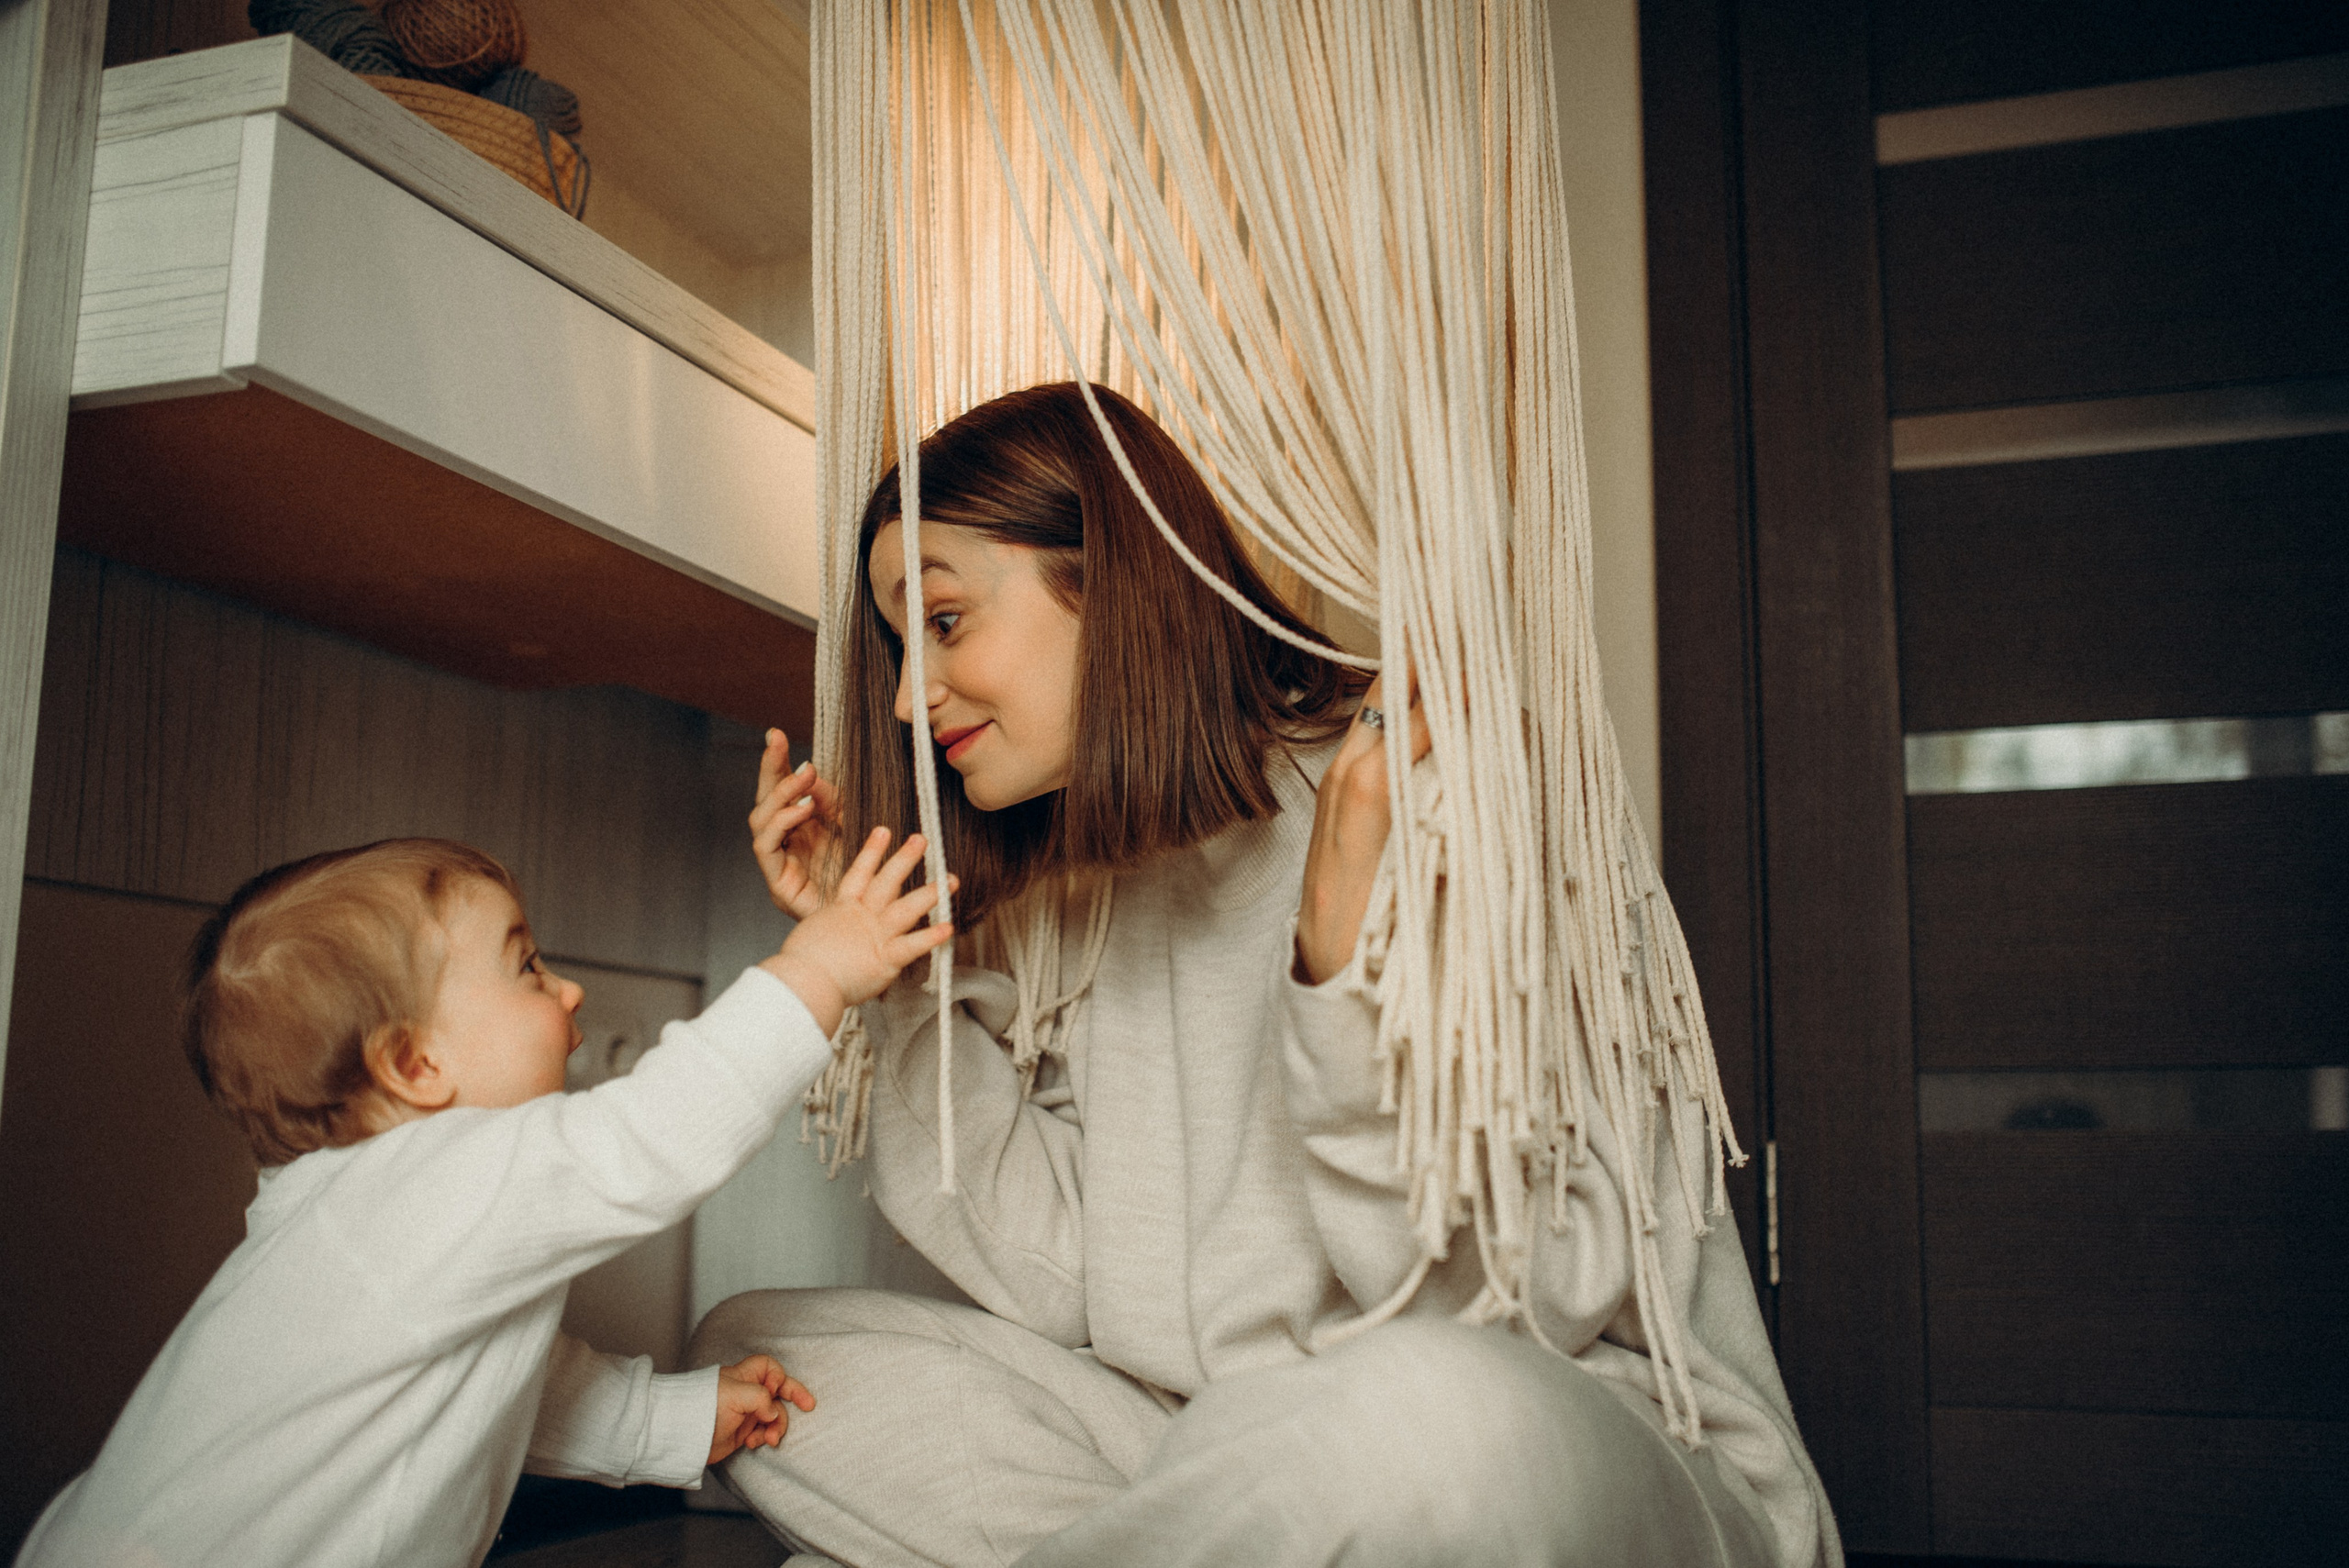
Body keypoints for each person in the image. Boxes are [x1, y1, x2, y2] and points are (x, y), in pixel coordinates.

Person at [693, 383, 1841, 1568]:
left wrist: (1337, 970)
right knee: (749, 1358)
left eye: (940, 621)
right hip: (1217, 1446)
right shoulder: (1094, 887)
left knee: (1418, 1413)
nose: (901, 694)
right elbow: (1064, 1288)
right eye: (897, 642)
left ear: (1113, 580)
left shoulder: (1423, 790)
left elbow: (1533, 1301)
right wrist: (872, 969)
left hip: (1548, 1430)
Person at [15, 829, 953, 1568]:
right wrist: (819, 972)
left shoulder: (368, 1221)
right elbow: (646, 1138)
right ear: (416, 1063)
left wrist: (667, 1420)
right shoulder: (414, 1187)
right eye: (529, 966)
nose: (570, 988)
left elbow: (499, 1386)